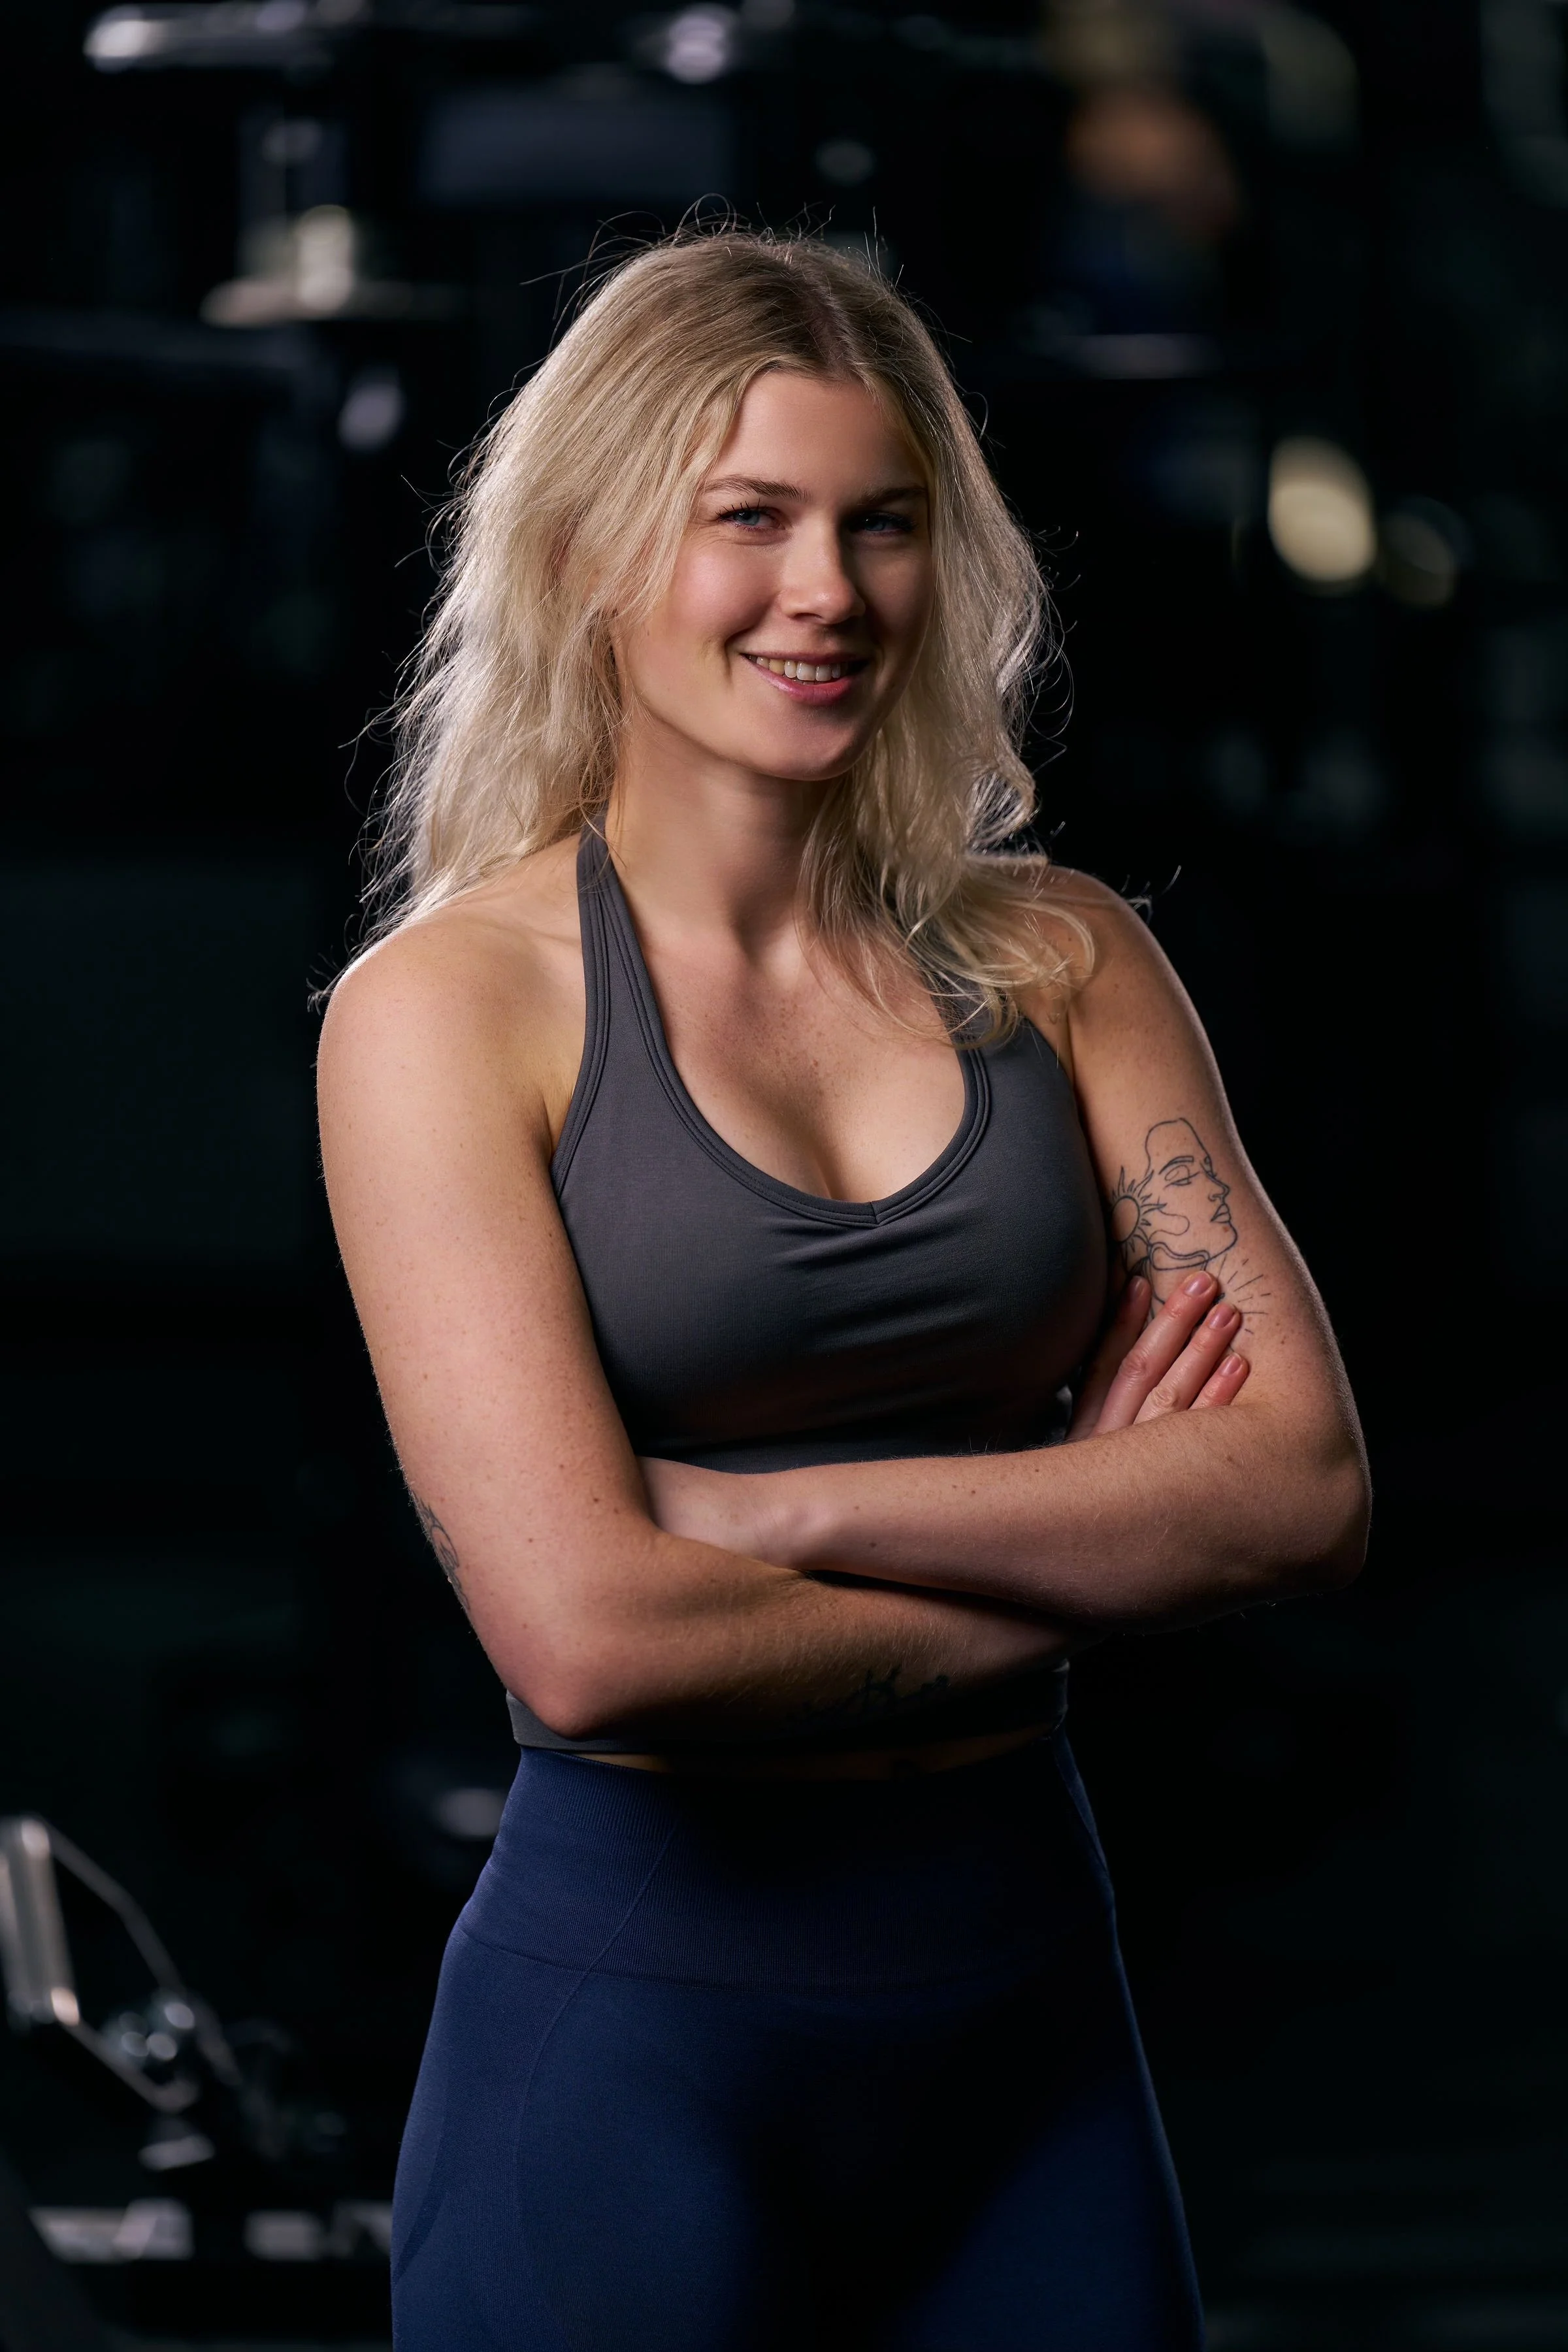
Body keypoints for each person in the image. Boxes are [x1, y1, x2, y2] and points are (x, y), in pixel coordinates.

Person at [317, 230, 1368, 2352]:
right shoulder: (448, 1015)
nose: (831, 591)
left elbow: (1301, 1494)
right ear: (601, 550)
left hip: (1026, 2034)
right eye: (753, 521)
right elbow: (598, 1642)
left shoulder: (1063, 960)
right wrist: (1091, 1533)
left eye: (885, 525)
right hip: (630, 2053)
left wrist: (762, 1512)